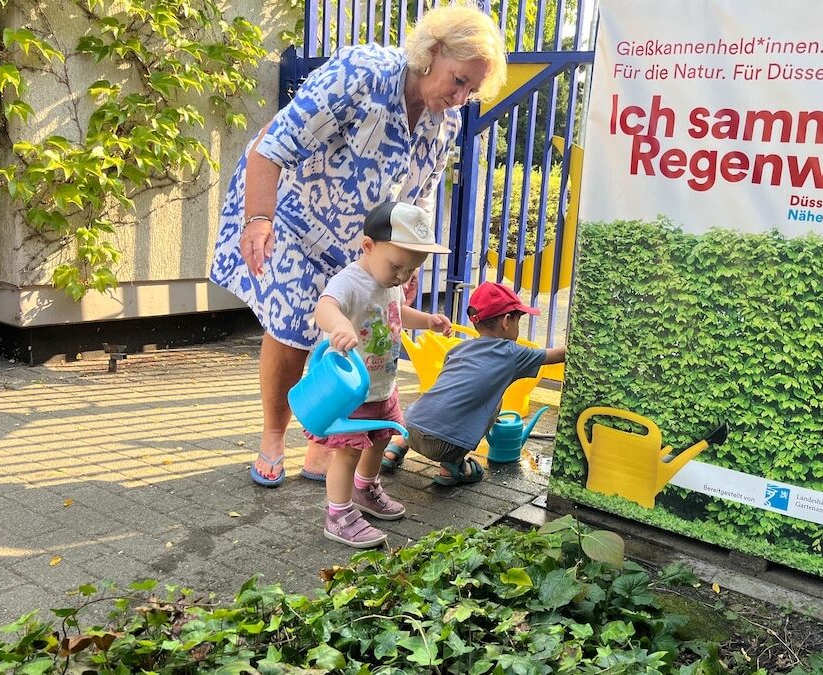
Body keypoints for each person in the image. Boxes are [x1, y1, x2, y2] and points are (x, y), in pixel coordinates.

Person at [208, 4, 508, 487]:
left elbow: (419, 199)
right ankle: (272, 436)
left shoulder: (443, 122)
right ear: (431, 52)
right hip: (293, 216)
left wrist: (406, 269)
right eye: (458, 81)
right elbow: (274, 144)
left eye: (472, 90)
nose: (461, 97)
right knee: (292, 330)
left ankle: (322, 443)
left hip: (361, 241)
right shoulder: (361, 73)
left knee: (356, 333)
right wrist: (259, 219)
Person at [313, 201, 452, 547]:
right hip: (352, 391)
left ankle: (365, 489)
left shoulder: (389, 280)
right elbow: (324, 307)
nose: (403, 277)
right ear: (369, 247)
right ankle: (338, 514)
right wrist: (340, 325)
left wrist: (427, 321)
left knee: (381, 439)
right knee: (347, 452)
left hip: (383, 388)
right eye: (398, 267)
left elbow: (396, 312)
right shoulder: (350, 282)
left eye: (411, 271)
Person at [382, 282, 566, 485]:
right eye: (518, 320)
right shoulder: (512, 353)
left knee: (438, 401)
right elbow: (557, 355)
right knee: (495, 401)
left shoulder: (458, 350)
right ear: (506, 321)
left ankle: (394, 449)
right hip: (447, 445)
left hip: (409, 426)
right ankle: (452, 467)